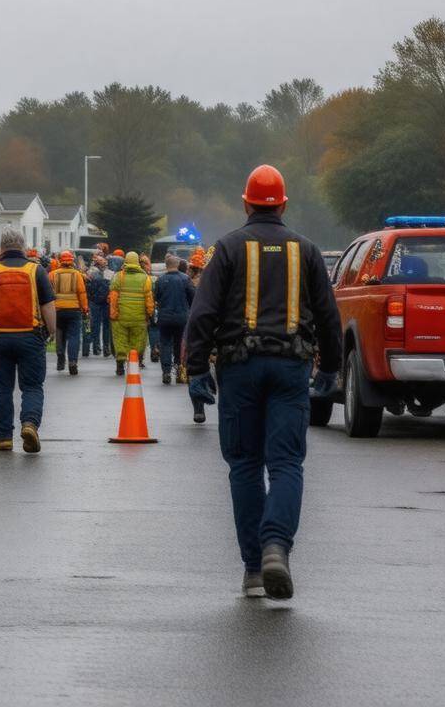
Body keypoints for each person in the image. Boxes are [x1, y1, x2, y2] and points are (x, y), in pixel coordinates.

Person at [185, 164, 342, 601]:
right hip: (292, 369)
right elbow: (329, 317)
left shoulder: (228, 249)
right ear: (284, 204)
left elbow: (203, 315)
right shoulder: (306, 251)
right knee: (287, 463)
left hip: (239, 368)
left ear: (246, 202)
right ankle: (277, 546)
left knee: (245, 465)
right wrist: (329, 368)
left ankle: (254, 568)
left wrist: (196, 369)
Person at [0, 227, 56, 453]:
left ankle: (4, 437)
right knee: (32, 386)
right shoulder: (36, 271)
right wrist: (51, 331)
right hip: (30, 336)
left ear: (1, 247)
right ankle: (30, 424)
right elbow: (48, 305)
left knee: (2, 387)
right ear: (22, 246)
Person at [108, 251, 154, 376]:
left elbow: (113, 298)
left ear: (125, 262)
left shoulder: (118, 276)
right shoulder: (145, 278)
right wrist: (150, 313)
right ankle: (134, 363)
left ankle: (120, 364)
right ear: (137, 262)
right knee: (138, 340)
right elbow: (149, 299)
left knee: (120, 340)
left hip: (121, 317)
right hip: (139, 318)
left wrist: (113, 314)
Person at [153, 254, 195, 385]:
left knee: (165, 343)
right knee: (179, 343)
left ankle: (166, 371)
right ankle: (178, 369)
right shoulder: (186, 279)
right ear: (177, 265)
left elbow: (156, 297)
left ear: (166, 266)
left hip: (165, 317)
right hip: (182, 317)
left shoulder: (160, 280)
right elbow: (193, 297)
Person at [48, 249, 89, 374]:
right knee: (74, 336)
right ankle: (72, 362)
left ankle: (61, 359)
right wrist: (85, 308)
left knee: (60, 334)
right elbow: (81, 293)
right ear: (72, 261)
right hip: (74, 310)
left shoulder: (52, 275)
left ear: (60, 260)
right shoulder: (77, 275)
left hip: (57, 310)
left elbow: (48, 294)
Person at [85, 264, 111, 357]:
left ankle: (96, 348)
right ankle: (106, 348)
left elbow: (88, 289)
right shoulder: (109, 275)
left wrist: (91, 298)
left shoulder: (91, 275)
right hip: (106, 304)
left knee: (95, 326)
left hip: (94, 303)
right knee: (106, 327)